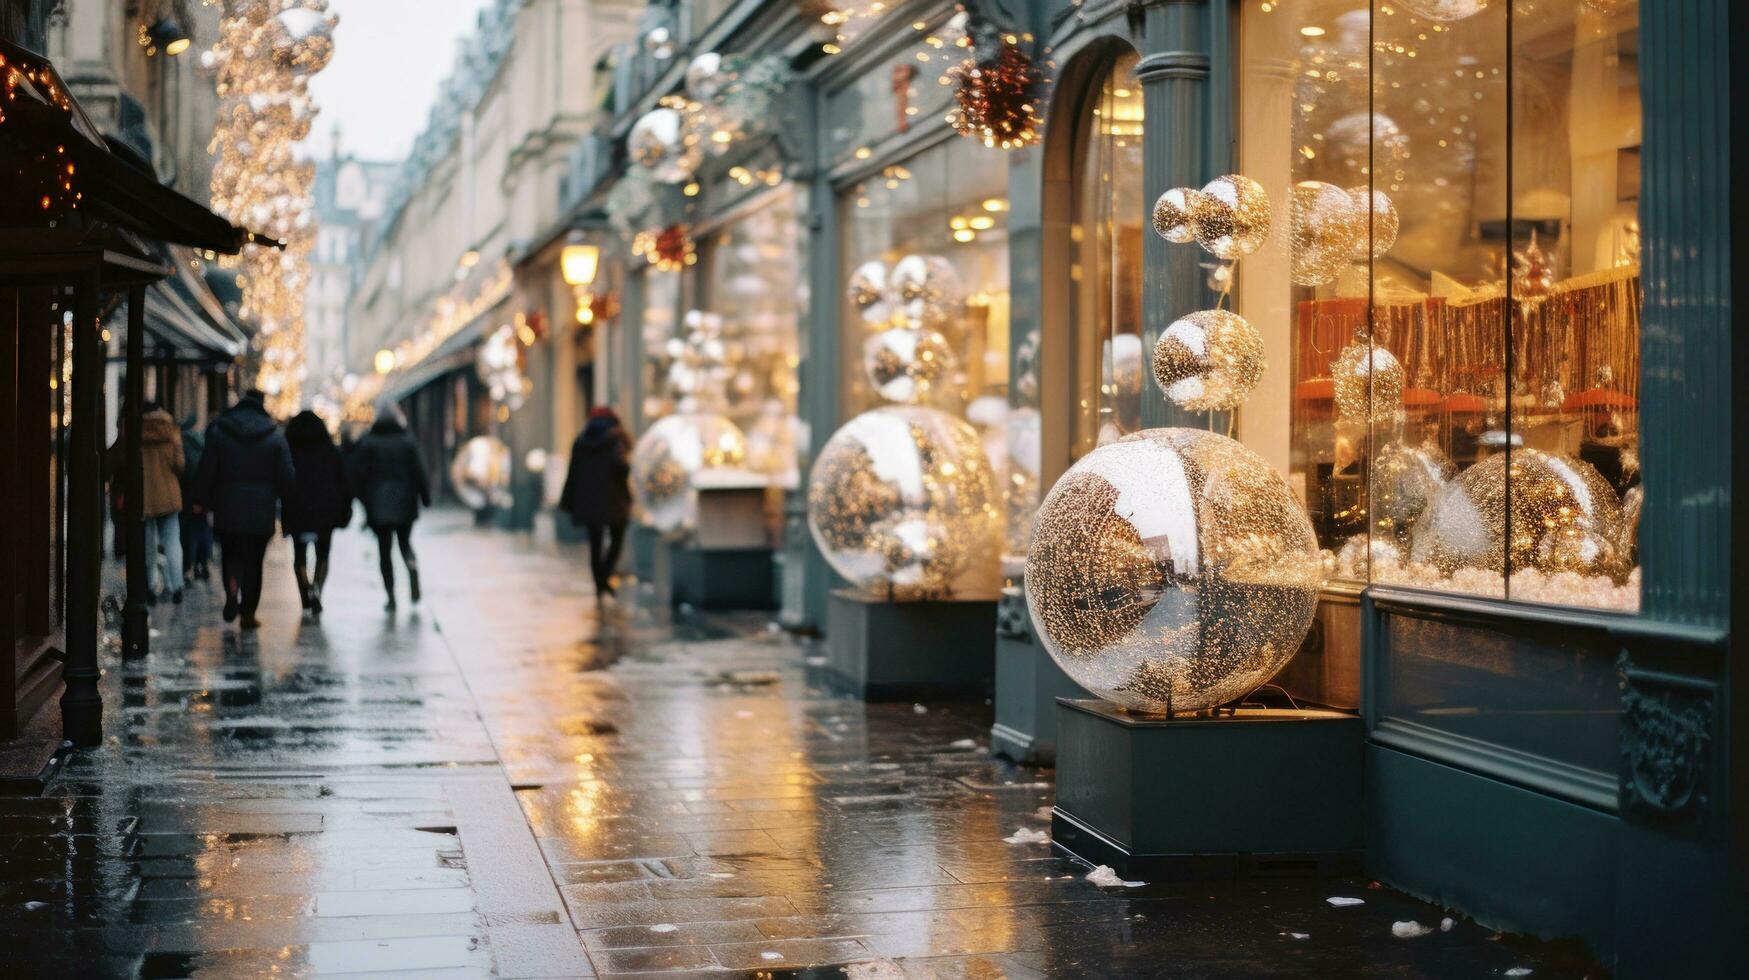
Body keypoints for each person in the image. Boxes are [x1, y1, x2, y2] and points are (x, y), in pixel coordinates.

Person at [190, 389, 294, 628]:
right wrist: (287, 502)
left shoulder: (219, 432)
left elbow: (207, 470)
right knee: (254, 562)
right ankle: (248, 613)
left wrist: (200, 500)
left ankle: (231, 592)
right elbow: (287, 477)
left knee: (231, 554)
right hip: (261, 510)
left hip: (227, 507)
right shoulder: (274, 435)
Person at [348, 404, 430, 610]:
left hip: (378, 505)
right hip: (405, 504)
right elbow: (420, 471)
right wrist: (425, 497)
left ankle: (391, 596)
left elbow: (357, 475)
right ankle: (412, 569)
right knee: (404, 543)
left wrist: (362, 499)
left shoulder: (369, 443)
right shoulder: (407, 441)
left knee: (384, 551)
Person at [281, 410, 352, 617]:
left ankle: (305, 593)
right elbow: (344, 482)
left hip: (298, 509)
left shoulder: (289, 452)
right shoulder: (331, 451)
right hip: (325, 511)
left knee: (299, 555)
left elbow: (283, 482)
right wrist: (345, 508)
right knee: (323, 554)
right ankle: (317, 588)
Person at [559, 407, 632, 602]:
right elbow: (622, 468)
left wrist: (568, 499)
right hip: (613, 499)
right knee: (616, 541)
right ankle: (604, 579)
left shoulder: (581, 441)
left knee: (595, 544)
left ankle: (599, 584)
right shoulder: (616, 440)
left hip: (589, 501)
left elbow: (573, 473)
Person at [138, 402, 186, 604]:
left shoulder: (138, 431)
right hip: (169, 496)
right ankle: (177, 586)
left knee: (148, 545)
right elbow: (180, 465)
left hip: (145, 495)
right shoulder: (171, 432)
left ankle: (149, 587)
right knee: (173, 542)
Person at [179, 413, 213, 581]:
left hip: (187, 496)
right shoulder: (202, 443)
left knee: (188, 532)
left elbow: (181, 471)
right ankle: (203, 563)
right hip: (202, 495)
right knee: (202, 529)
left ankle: (188, 566)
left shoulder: (182, 445)